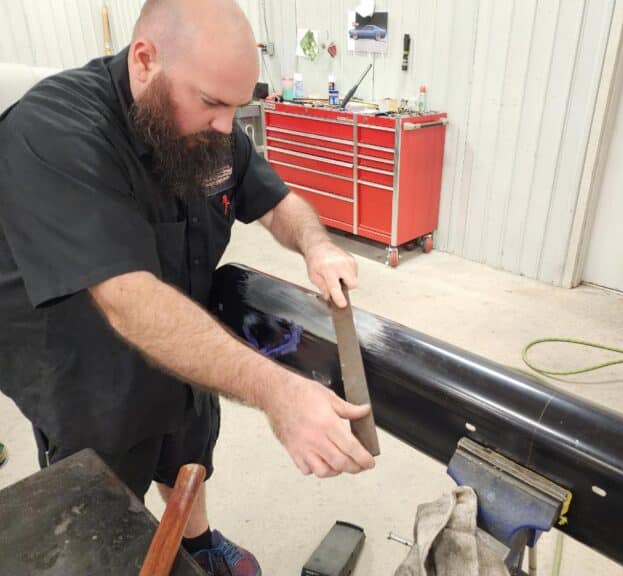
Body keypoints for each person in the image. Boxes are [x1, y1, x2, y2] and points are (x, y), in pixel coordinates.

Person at [0, 1, 375, 574]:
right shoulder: (54, 131)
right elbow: (128, 300)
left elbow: (276, 201)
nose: (228, 126)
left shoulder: (208, 130)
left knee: (188, 448)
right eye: (213, 103)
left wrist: (317, 245)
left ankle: (198, 544)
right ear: (145, 61)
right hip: (86, 368)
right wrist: (278, 392)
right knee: (101, 508)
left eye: (237, 106)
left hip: (185, 335)